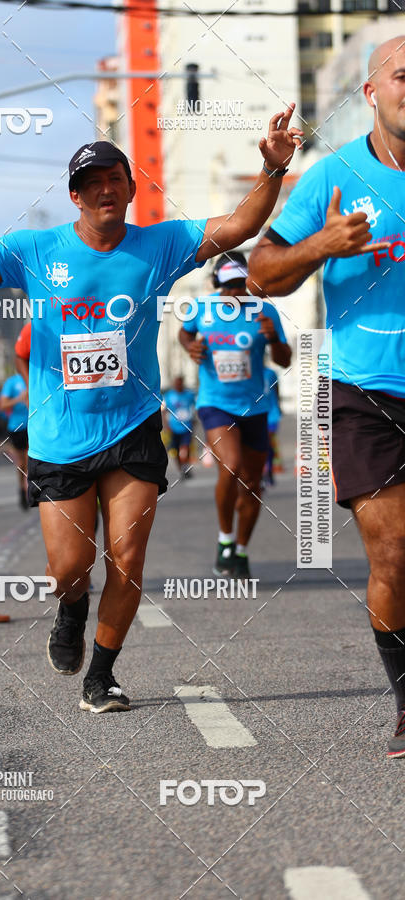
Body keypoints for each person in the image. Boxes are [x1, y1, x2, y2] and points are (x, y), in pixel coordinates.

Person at [0, 110, 302, 714]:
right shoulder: (35, 250)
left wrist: (272, 169)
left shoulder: (162, 242)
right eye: (93, 182)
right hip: (59, 434)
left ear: (129, 188)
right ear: (76, 196)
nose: (105, 189)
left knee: (129, 553)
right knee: (71, 569)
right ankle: (70, 611)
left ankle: (103, 673)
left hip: (133, 425)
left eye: (115, 178)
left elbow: (239, 227)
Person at [247, 36, 405, 757]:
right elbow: (261, 275)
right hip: (367, 390)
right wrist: (322, 247)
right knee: (395, 554)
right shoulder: (330, 178)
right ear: (373, 93)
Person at [179, 252, 291, 578]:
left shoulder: (265, 311)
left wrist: (272, 338)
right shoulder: (200, 308)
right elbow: (185, 333)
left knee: (253, 485)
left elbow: (284, 360)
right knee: (231, 467)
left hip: (256, 406)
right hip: (215, 403)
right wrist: (190, 347)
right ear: (216, 284)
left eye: (241, 285)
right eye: (228, 286)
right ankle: (225, 538)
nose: (234, 293)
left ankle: (240, 550)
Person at [0, 370, 29, 509]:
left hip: (36, 425)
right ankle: (22, 489)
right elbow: (2, 405)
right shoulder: (12, 382)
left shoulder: (37, 376)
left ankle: (33, 489)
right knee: (22, 462)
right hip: (17, 427)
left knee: (33, 459)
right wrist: (20, 399)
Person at [162, 375, 195, 478]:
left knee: (185, 448)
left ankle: (185, 465)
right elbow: (164, 411)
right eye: (176, 383)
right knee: (175, 451)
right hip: (173, 428)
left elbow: (195, 407)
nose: (178, 385)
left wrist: (194, 420)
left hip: (186, 426)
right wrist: (167, 425)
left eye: (180, 383)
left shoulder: (189, 395)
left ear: (182, 383)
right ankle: (182, 469)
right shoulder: (168, 395)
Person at [262, 366, 283, 486]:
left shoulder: (271, 373)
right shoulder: (250, 371)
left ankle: (268, 470)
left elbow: (276, 389)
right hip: (256, 412)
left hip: (271, 412)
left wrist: (279, 406)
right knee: (258, 443)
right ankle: (260, 471)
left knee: (269, 442)